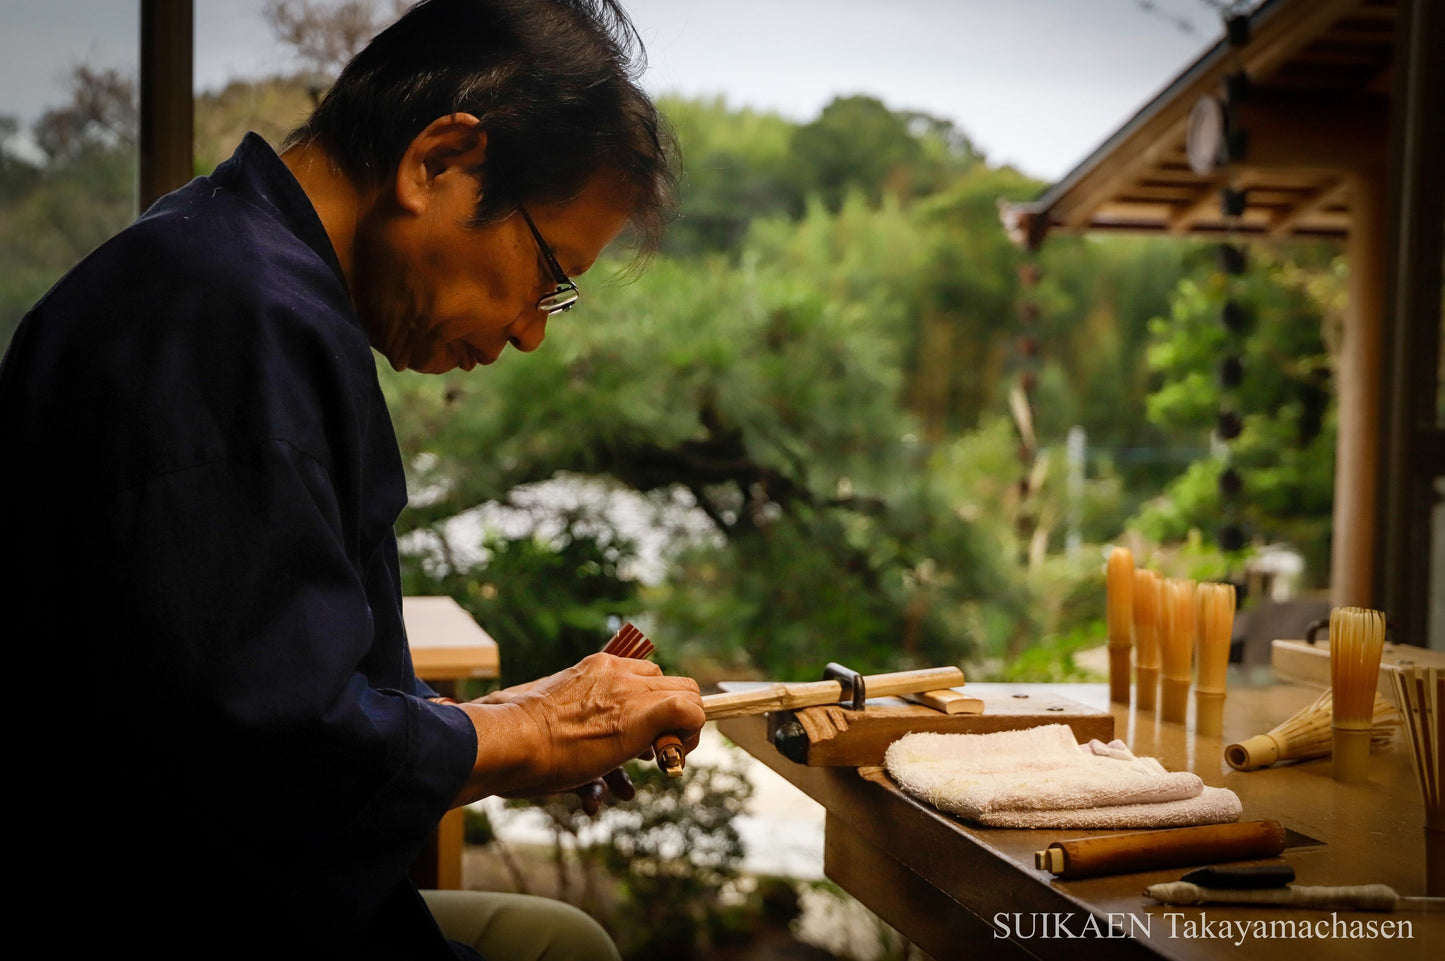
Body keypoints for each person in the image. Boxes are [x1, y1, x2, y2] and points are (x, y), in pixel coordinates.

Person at [0, 1, 703, 958]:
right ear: (439, 162)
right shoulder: (230, 320)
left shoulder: (222, 260)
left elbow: (250, 682)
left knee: (559, 936)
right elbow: (277, 755)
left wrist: (503, 727)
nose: (532, 330)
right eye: (546, 275)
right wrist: (532, 731)